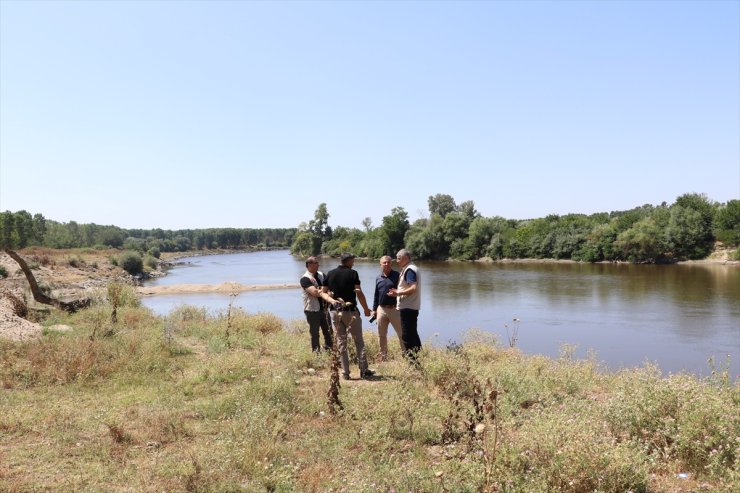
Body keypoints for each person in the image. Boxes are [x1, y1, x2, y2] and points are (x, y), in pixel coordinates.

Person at [323, 253, 374, 379]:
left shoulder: (330, 273)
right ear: (349, 261)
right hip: (351, 311)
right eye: (353, 260)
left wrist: (332, 301)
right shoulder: (353, 273)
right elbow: (359, 292)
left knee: (341, 342)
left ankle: (345, 373)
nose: (354, 263)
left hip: (335, 312)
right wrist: (366, 309)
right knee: (359, 341)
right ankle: (364, 370)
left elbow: (322, 292)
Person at [388, 248, 422, 361]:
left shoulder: (410, 270)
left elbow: (413, 288)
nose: (396, 261)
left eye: (398, 258)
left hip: (408, 307)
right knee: (413, 334)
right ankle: (419, 359)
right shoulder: (410, 268)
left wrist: (398, 292)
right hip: (411, 306)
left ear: (406, 258)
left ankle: (412, 363)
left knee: (407, 336)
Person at [371, 255, 405, 361]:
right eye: (384, 262)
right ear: (380, 264)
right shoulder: (378, 277)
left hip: (395, 309)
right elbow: (376, 295)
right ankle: (383, 357)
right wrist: (374, 310)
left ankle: (407, 356)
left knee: (401, 334)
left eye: (388, 262)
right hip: (381, 309)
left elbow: (404, 291)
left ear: (391, 263)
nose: (386, 264)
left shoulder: (398, 276)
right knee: (381, 335)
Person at [299, 256, 336, 353]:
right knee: (315, 333)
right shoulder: (305, 279)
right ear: (310, 265)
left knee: (328, 331)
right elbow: (314, 292)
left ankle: (330, 351)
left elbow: (329, 287)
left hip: (324, 308)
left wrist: (324, 291)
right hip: (312, 310)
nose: (318, 264)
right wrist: (326, 293)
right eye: (316, 263)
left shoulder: (321, 274)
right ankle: (316, 353)